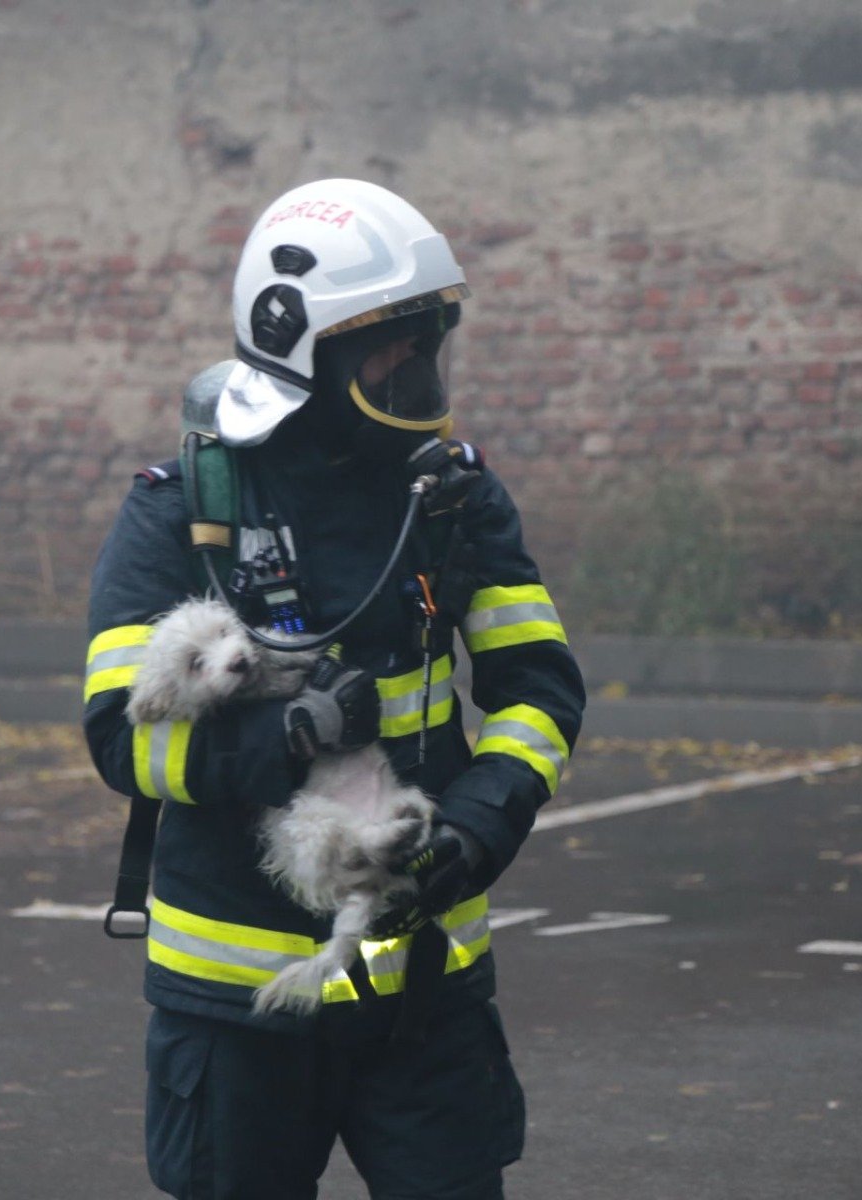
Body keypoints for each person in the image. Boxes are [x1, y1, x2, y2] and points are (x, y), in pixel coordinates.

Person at [83, 178, 585, 1200]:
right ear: (300, 343)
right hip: (238, 1012)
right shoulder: (183, 510)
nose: (416, 364)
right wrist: (288, 740)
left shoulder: (451, 500)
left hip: (414, 983)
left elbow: (540, 689)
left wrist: (480, 827)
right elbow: (120, 742)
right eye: (390, 342)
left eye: (424, 339)